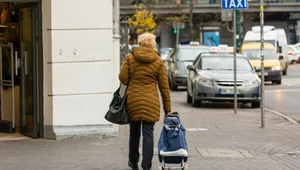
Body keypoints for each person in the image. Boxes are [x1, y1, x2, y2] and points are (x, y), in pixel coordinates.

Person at [119, 33, 171, 170]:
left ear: (140, 43)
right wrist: (167, 109)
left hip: (134, 101)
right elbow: (164, 87)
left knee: (134, 132)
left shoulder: (130, 58)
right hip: (151, 101)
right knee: (148, 133)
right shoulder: (158, 61)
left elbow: (123, 78)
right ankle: (146, 166)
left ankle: (133, 161)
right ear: (152, 44)